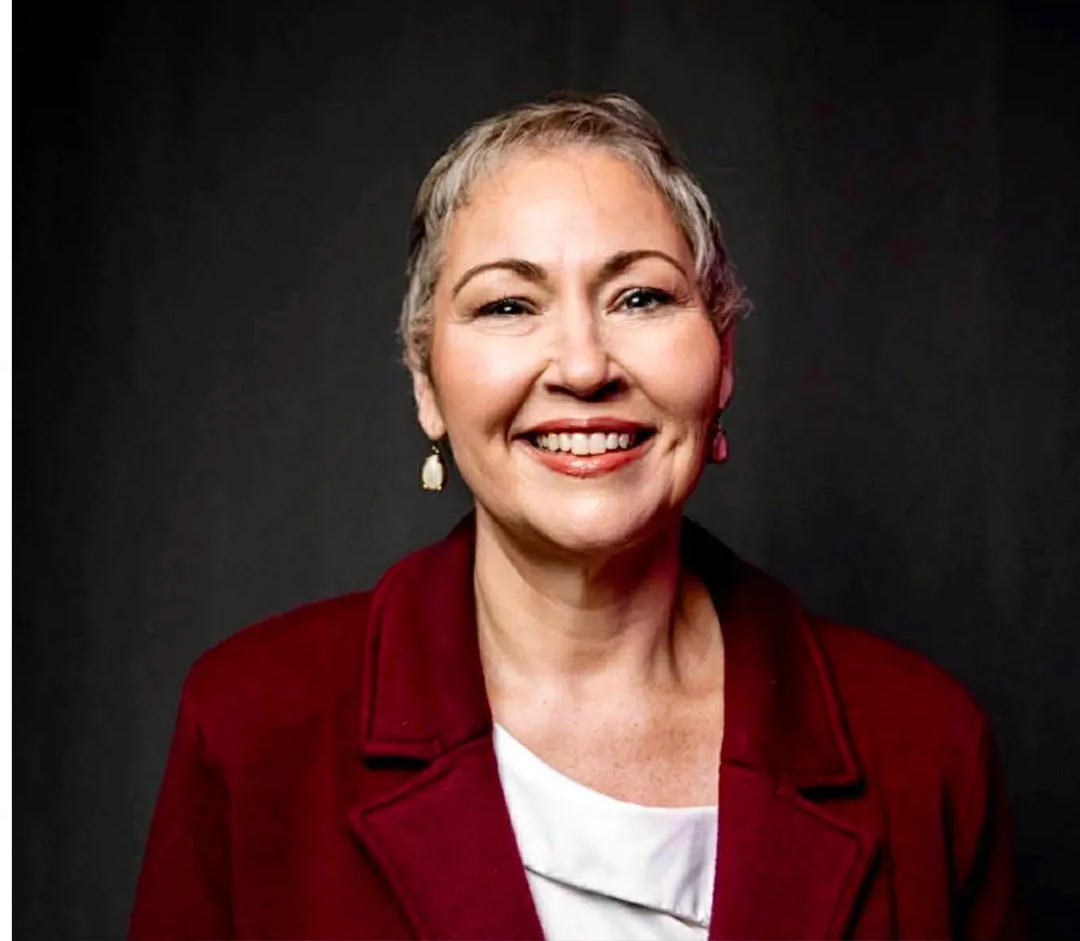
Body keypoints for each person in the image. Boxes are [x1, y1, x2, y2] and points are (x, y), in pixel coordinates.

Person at [129, 94, 1023, 940]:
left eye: (641, 297)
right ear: (426, 384)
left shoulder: (925, 745)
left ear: (723, 361)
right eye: (508, 305)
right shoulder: (252, 727)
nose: (585, 367)